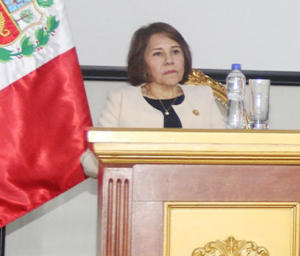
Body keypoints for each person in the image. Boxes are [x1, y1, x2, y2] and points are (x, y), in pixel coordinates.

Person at [82, 21, 225, 177]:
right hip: (140, 187)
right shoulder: (121, 100)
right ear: (142, 64)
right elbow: (91, 163)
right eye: (158, 54)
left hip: (196, 187)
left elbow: (225, 151)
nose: (169, 60)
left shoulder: (203, 96)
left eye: (175, 51)